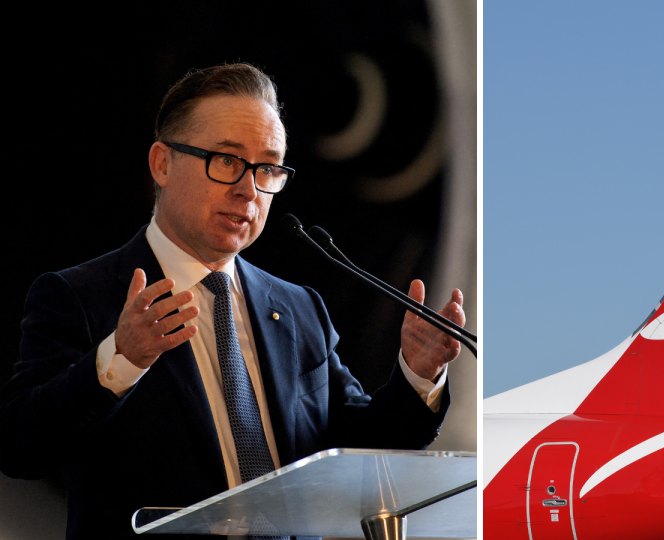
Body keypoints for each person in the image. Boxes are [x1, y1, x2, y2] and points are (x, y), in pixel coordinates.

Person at [0, 63, 465, 540]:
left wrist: (418, 374)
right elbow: (21, 447)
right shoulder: (81, 296)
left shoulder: (300, 308)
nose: (248, 188)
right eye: (225, 160)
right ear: (162, 163)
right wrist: (120, 360)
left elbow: (362, 450)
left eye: (268, 168)